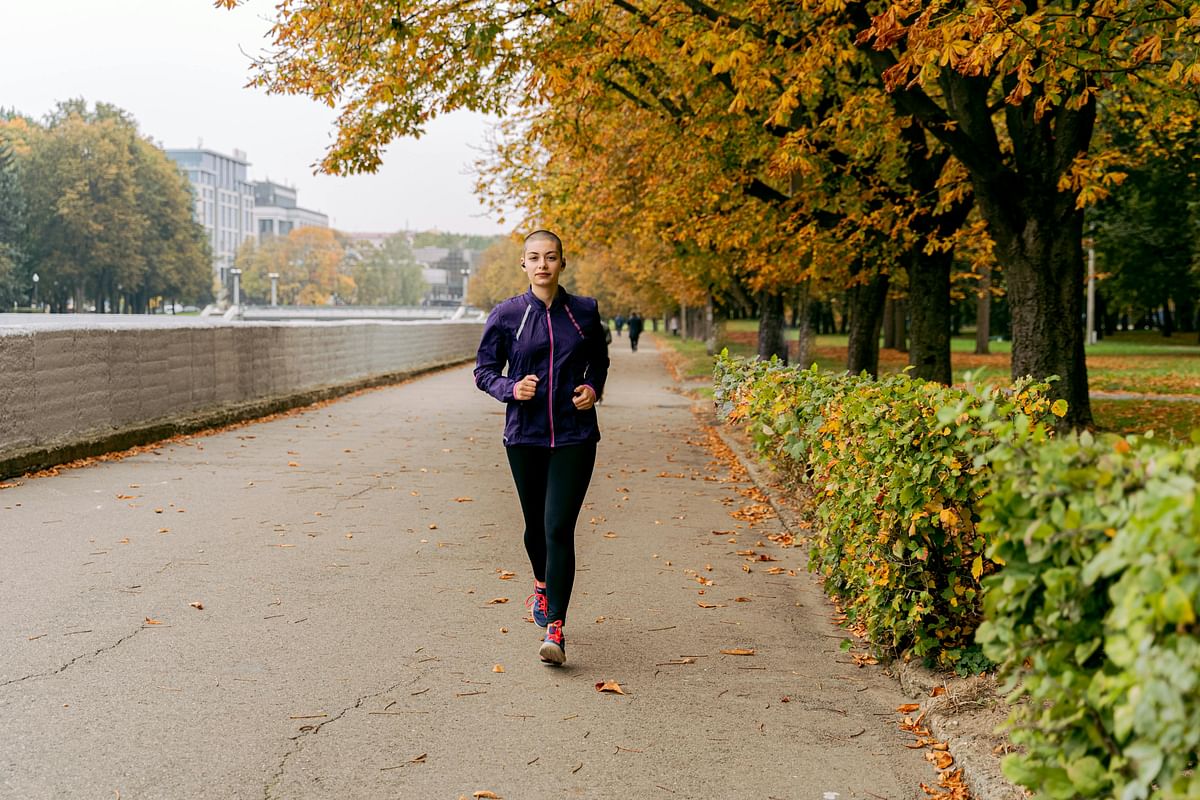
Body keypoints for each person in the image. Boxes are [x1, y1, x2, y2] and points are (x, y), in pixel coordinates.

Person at [474, 230, 609, 666]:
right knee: (535, 528)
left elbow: (599, 360)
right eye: (534, 258)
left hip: (575, 436)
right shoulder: (508, 315)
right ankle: (540, 583)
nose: (543, 265)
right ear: (524, 264)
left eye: (551, 257)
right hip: (526, 436)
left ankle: (556, 628)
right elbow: (484, 370)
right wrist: (512, 388)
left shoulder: (583, 312)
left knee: (557, 528)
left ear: (562, 263)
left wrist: (592, 387)